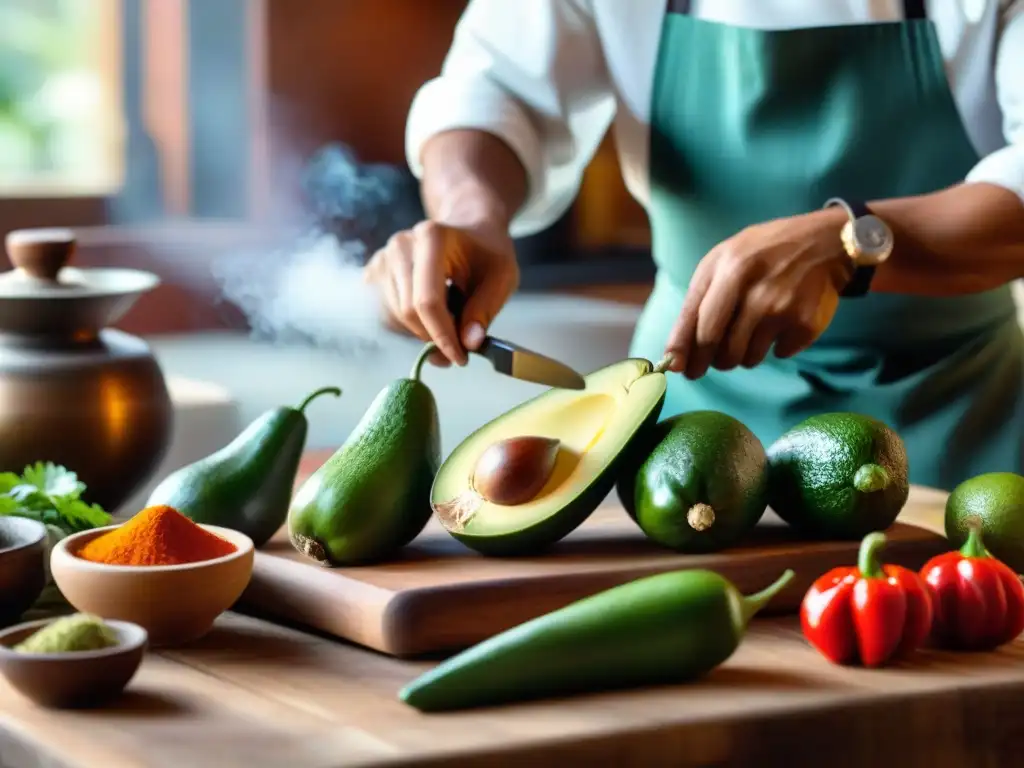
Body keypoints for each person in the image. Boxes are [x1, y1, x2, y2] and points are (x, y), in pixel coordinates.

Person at [363, 0, 1024, 490]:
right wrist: (471, 213)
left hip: (953, 425)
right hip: (685, 420)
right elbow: (493, 89)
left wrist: (850, 239)